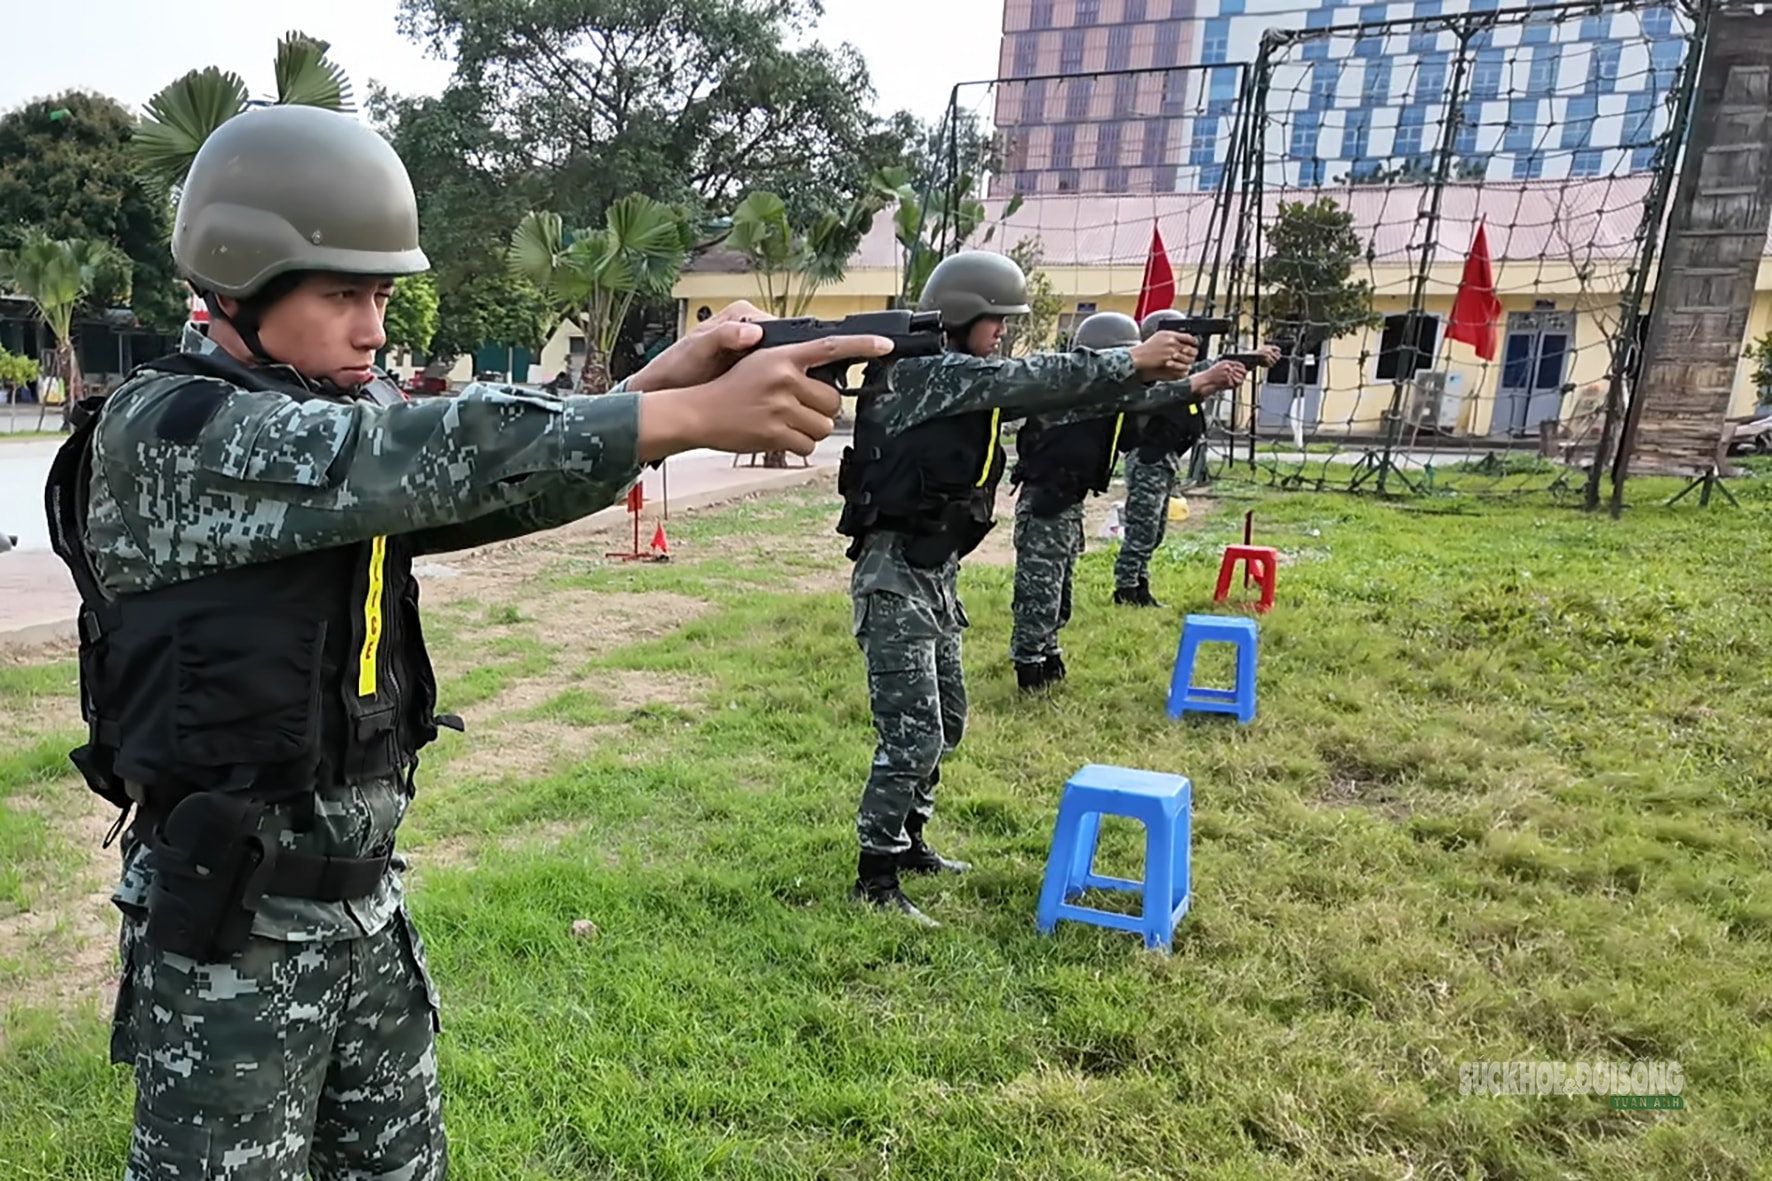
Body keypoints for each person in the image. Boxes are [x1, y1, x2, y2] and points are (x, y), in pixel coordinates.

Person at [44, 104, 890, 1181]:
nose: (372, 326)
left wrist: (661, 384)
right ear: (239, 278)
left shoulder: (329, 414)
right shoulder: (175, 432)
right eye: (341, 293)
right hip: (232, 939)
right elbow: (400, 451)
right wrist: (678, 419)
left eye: (382, 294)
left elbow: (473, 476)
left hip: (361, 909)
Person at [838, 251, 1217, 926]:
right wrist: (1132, 360)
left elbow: (1062, 392)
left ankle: (910, 838)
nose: (1004, 335)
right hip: (894, 579)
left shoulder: (962, 376)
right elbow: (1033, 376)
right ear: (961, 316)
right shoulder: (928, 374)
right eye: (997, 321)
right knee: (913, 734)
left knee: (947, 721)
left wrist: (1169, 378)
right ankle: (875, 877)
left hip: (933, 576)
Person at [1008, 312, 1246, 689]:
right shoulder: (1076, 394)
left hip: (1068, 503)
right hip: (1046, 504)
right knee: (1040, 591)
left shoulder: (1103, 395)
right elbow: (1147, 399)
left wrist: (1201, 379)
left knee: (1059, 588)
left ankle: (1048, 652)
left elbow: (1143, 399)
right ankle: (1030, 666)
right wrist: (1201, 382)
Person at [1112, 312, 1279, 608]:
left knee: (1155, 530)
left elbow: (1208, 368)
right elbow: (1182, 385)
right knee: (1142, 530)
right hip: (1148, 460)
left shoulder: (1179, 374)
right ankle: (1126, 589)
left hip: (1164, 462)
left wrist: (1251, 358)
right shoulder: (1147, 378)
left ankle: (1140, 585)